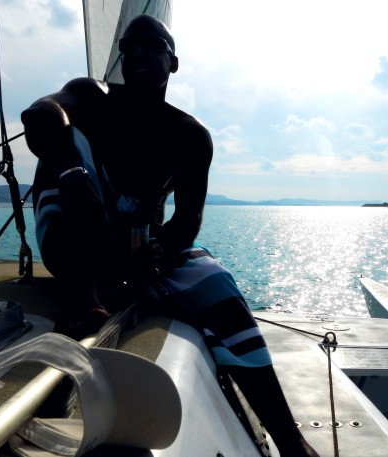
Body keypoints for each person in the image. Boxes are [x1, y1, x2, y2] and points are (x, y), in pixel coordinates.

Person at [22, 14, 320, 457]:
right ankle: (82, 299)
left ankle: (289, 439)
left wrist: (160, 251)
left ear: (172, 62)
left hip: (139, 251)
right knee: (65, 148)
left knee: (217, 283)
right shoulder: (91, 96)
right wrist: (72, 170)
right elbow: (41, 114)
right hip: (75, 235)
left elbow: (189, 219)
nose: (137, 52)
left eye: (151, 45)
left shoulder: (191, 137)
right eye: (128, 45)